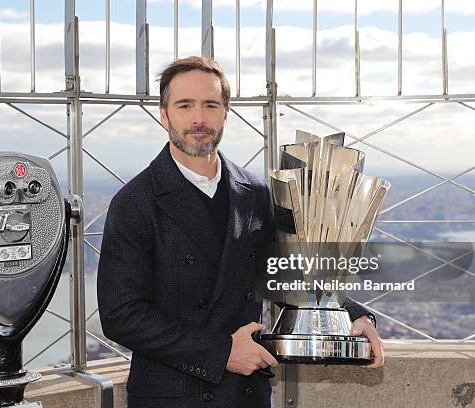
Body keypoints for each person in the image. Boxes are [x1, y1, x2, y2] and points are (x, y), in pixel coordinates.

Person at [97, 56, 384, 408]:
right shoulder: (136, 201)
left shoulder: (255, 191)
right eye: (185, 105)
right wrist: (221, 353)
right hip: (174, 396)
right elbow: (120, 315)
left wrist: (352, 315)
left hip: (246, 394)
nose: (198, 118)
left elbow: (284, 275)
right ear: (164, 113)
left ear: (226, 112)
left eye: (210, 105)